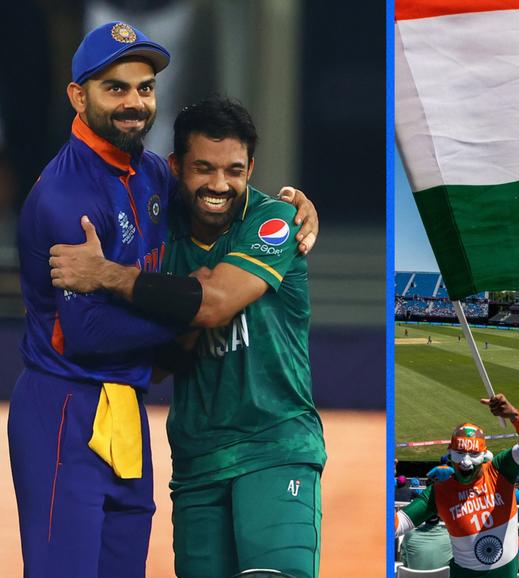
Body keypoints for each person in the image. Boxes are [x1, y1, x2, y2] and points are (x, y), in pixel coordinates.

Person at [9, 23, 317, 578]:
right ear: (79, 96)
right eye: (116, 88)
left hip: (127, 409)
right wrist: (187, 321)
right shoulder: (64, 197)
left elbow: (219, 189)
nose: (134, 102)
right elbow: (86, 334)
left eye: (144, 87)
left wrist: (293, 206)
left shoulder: (152, 176)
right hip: (64, 409)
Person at [394, 393, 519, 577]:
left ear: (485, 455)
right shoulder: (439, 492)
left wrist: (514, 415)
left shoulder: (500, 469)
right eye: (459, 453)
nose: (466, 463)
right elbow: (395, 526)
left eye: (473, 454)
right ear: (449, 454)